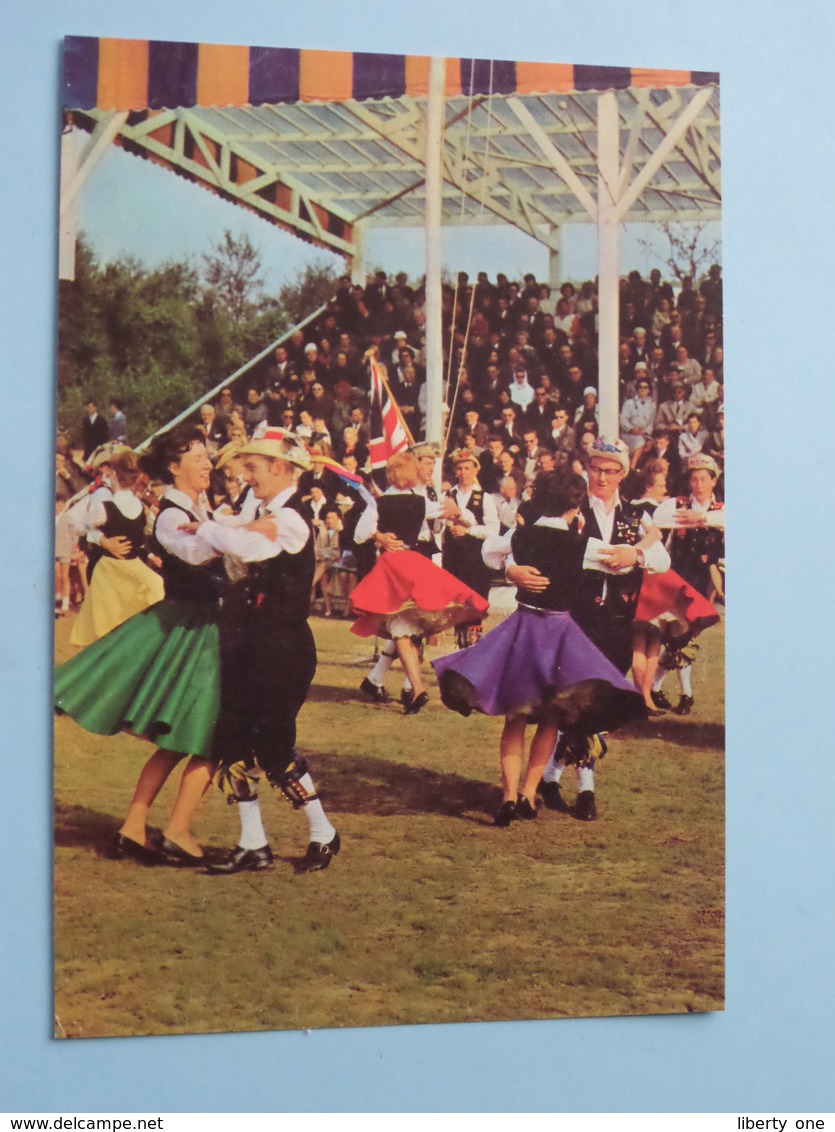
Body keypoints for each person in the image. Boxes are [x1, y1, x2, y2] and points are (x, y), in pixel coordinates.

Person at [55, 426, 230, 863]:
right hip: (191, 630)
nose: (208, 464)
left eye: (208, 457)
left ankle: (135, 828)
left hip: (200, 626)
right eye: (199, 458)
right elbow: (195, 555)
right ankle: (176, 830)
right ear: (175, 466)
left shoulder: (196, 507)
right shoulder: (172, 513)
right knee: (210, 735)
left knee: (178, 736)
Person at [432, 470, 646, 826]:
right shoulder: (583, 543)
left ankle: (509, 797)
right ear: (576, 504)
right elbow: (623, 562)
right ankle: (530, 794)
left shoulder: (520, 535)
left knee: (515, 719)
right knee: (549, 718)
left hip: (524, 630)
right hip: (559, 634)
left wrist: (512, 566)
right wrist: (638, 554)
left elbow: (488, 551)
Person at [186, 428, 341, 874]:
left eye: (253, 467)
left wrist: (209, 527)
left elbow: (242, 543)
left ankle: (323, 832)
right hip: (248, 643)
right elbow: (236, 534)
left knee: (273, 746)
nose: (245, 475)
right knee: (231, 741)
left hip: (282, 647)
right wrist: (219, 527)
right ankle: (253, 842)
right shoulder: (264, 510)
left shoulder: (291, 518)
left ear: (279, 467)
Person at [351, 452, 489, 714]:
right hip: (414, 563)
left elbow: (359, 536)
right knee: (407, 625)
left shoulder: (379, 503)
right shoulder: (420, 502)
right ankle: (412, 688)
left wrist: (380, 536)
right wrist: (462, 514)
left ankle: (407, 687)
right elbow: (458, 516)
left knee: (402, 625)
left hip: (391, 567)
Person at [68, 450, 165, 647]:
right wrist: (103, 540)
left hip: (110, 573)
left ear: (113, 473)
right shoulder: (142, 509)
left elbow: (78, 527)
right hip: (130, 570)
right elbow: (144, 534)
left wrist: (100, 538)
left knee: (106, 632)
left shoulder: (105, 507)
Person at [442, 448, 501, 647]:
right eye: (460, 468)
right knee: (457, 607)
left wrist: (468, 531)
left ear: (476, 470)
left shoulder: (484, 498)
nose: (463, 473)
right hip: (453, 559)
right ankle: (460, 649)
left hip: (475, 560)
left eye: (468, 468)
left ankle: (473, 651)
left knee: (474, 608)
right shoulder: (447, 495)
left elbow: (493, 530)